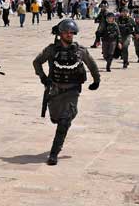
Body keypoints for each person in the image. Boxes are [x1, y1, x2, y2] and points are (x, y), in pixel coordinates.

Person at [33, 19, 100, 165]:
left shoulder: (80, 51)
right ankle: (63, 121)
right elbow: (37, 62)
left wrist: (96, 81)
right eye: (66, 32)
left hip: (72, 90)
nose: (69, 35)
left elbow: (92, 65)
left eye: (71, 32)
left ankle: (53, 153)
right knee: (56, 118)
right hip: (56, 90)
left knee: (65, 120)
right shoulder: (51, 50)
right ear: (60, 34)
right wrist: (43, 78)